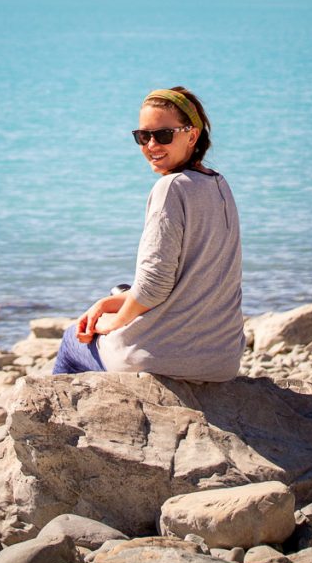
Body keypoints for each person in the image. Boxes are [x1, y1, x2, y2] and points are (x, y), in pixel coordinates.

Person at [52, 86, 245, 382]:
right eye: (143, 136)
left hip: (166, 358)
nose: (152, 145)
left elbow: (154, 287)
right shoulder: (219, 184)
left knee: (71, 341)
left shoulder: (171, 188)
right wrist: (105, 304)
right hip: (223, 361)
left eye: (163, 135)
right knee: (118, 297)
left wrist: (115, 321)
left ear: (192, 135)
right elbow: (189, 282)